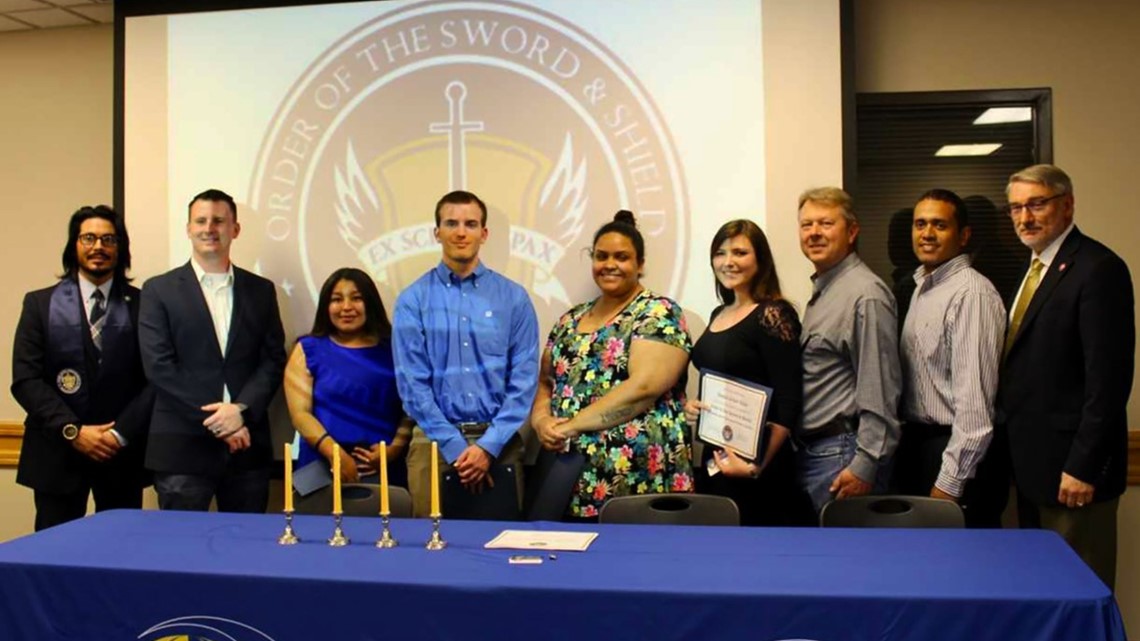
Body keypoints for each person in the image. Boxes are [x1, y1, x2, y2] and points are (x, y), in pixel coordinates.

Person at [999, 165, 1133, 589]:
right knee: (1043, 593)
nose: (1025, 217)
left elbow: (1108, 380)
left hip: (1073, 475)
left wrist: (1083, 465)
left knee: (1078, 594)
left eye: (1037, 204)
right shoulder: (1033, 269)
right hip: (1033, 468)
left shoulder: (1097, 268)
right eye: (1016, 208)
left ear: (1068, 204)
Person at [532, 210, 693, 520]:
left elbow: (643, 387)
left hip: (637, 477)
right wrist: (541, 421)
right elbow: (545, 383)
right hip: (569, 477)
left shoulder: (658, 313)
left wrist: (570, 425)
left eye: (622, 257)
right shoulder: (569, 320)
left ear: (640, 264)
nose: (610, 265)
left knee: (638, 564)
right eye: (602, 256)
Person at [392, 190, 539, 517]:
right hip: (432, 442)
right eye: (451, 223)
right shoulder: (412, 300)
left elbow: (524, 382)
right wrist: (457, 448)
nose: (461, 232)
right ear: (437, 232)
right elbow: (411, 385)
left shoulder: (514, 299)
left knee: (503, 552)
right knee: (430, 554)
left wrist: (487, 447)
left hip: (499, 444)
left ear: (484, 233)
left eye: (471, 224)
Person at [139, 189, 286, 512]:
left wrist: (241, 411)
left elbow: (272, 360)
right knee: (180, 553)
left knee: (246, 553)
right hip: (182, 449)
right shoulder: (158, 290)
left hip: (247, 449)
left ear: (235, 229)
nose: (209, 228)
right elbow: (159, 367)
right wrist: (222, 421)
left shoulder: (261, 291)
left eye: (219, 221)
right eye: (201, 221)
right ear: (188, 228)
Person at [11, 205, 154, 531]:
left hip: (120, 452)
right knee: (54, 557)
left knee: (119, 555)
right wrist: (73, 431)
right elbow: (26, 379)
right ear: (73, 245)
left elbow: (155, 380)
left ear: (121, 248)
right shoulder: (39, 304)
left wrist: (118, 433)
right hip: (56, 454)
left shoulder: (144, 305)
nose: (98, 247)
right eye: (88, 238)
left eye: (108, 239)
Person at [683, 219, 814, 526]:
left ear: (760, 259)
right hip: (718, 456)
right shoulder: (719, 312)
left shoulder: (773, 314)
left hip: (758, 466)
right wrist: (694, 406)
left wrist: (756, 466)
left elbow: (789, 399)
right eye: (720, 253)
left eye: (740, 253)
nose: (728, 262)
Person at [894, 189, 1007, 527]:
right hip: (920, 447)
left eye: (939, 225)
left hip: (955, 458)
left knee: (963, 573)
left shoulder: (971, 294)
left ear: (964, 235)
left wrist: (949, 484)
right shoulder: (921, 286)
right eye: (920, 224)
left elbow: (975, 408)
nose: (927, 234)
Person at [797, 187, 901, 515]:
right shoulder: (826, 291)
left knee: (845, 562)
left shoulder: (865, 295)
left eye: (826, 224)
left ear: (852, 231)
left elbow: (881, 387)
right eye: (806, 225)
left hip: (844, 457)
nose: (814, 233)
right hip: (818, 454)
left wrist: (865, 464)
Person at [284, 268, 411, 495]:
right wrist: (336, 455)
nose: (346, 307)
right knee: (316, 530)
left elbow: (411, 408)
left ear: (370, 303)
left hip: (384, 468)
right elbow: (300, 415)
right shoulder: (307, 349)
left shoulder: (396, 349)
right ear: (326, 306)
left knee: (384, 530)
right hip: (319, 467)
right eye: (336, 299)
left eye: (356, 298)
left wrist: (393, 450)